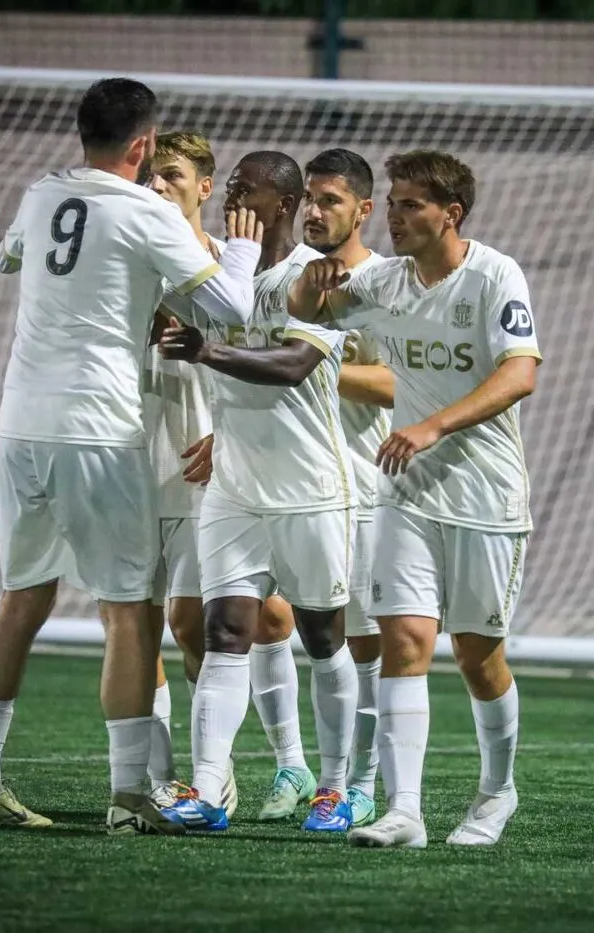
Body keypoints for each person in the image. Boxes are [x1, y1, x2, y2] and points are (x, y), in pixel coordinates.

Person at [0, 78, 261, 837]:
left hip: (21, 424)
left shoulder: (40, 193)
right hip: (99, 426)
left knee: (22, 599)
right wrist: (244, 255)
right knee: (130, 612)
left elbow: (5, 258)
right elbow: (230, 310)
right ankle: (130, 799)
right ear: (142, 146)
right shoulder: (147, 211)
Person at [288, 149, 540, 849]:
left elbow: (520, 374)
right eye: (392, 204)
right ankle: (404, 810)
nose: (395, 217)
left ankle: (497, 793)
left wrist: (430, 423)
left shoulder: (495, 276)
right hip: (404, 491)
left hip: (486, 493)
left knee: (478, 654)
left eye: (410, 205)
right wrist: (312, 283)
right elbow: (309, 311)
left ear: (450, 214)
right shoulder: (384, 281)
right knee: (404, 642)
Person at [157, 151, 358, 834]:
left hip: (309, 490)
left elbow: (296, 365)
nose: (233, 198)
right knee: (225, 633)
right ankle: (208, 790)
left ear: (287, 204)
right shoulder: (221, 277)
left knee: (324, 636)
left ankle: (334, 788)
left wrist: (206, 351)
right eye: (231, 188)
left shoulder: (316, 277)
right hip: (235, 489)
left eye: (249, 190)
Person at [143, 130, 298, 815]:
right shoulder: (125, 258)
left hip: (212, 462)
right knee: (143, 622)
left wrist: (227, 435)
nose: (156, 186)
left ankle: (273, 765)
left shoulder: (232, 268)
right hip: (137, 456)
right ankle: (167, 777)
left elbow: (262, 365)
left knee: (239, 618)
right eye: (149, 175)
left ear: (205, 189)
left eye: (172, 176)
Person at [249, 147, 394, 828]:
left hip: (365, 487)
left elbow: (402, 382)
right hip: (285, 480)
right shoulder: (284, 277)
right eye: (309, 197)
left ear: (364, 210)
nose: (315, 209)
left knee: (360, 641)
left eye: (331, 200)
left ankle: (358, 782)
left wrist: (317, 357)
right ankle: (291, 763)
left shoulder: (388, 285)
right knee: (266, 616)